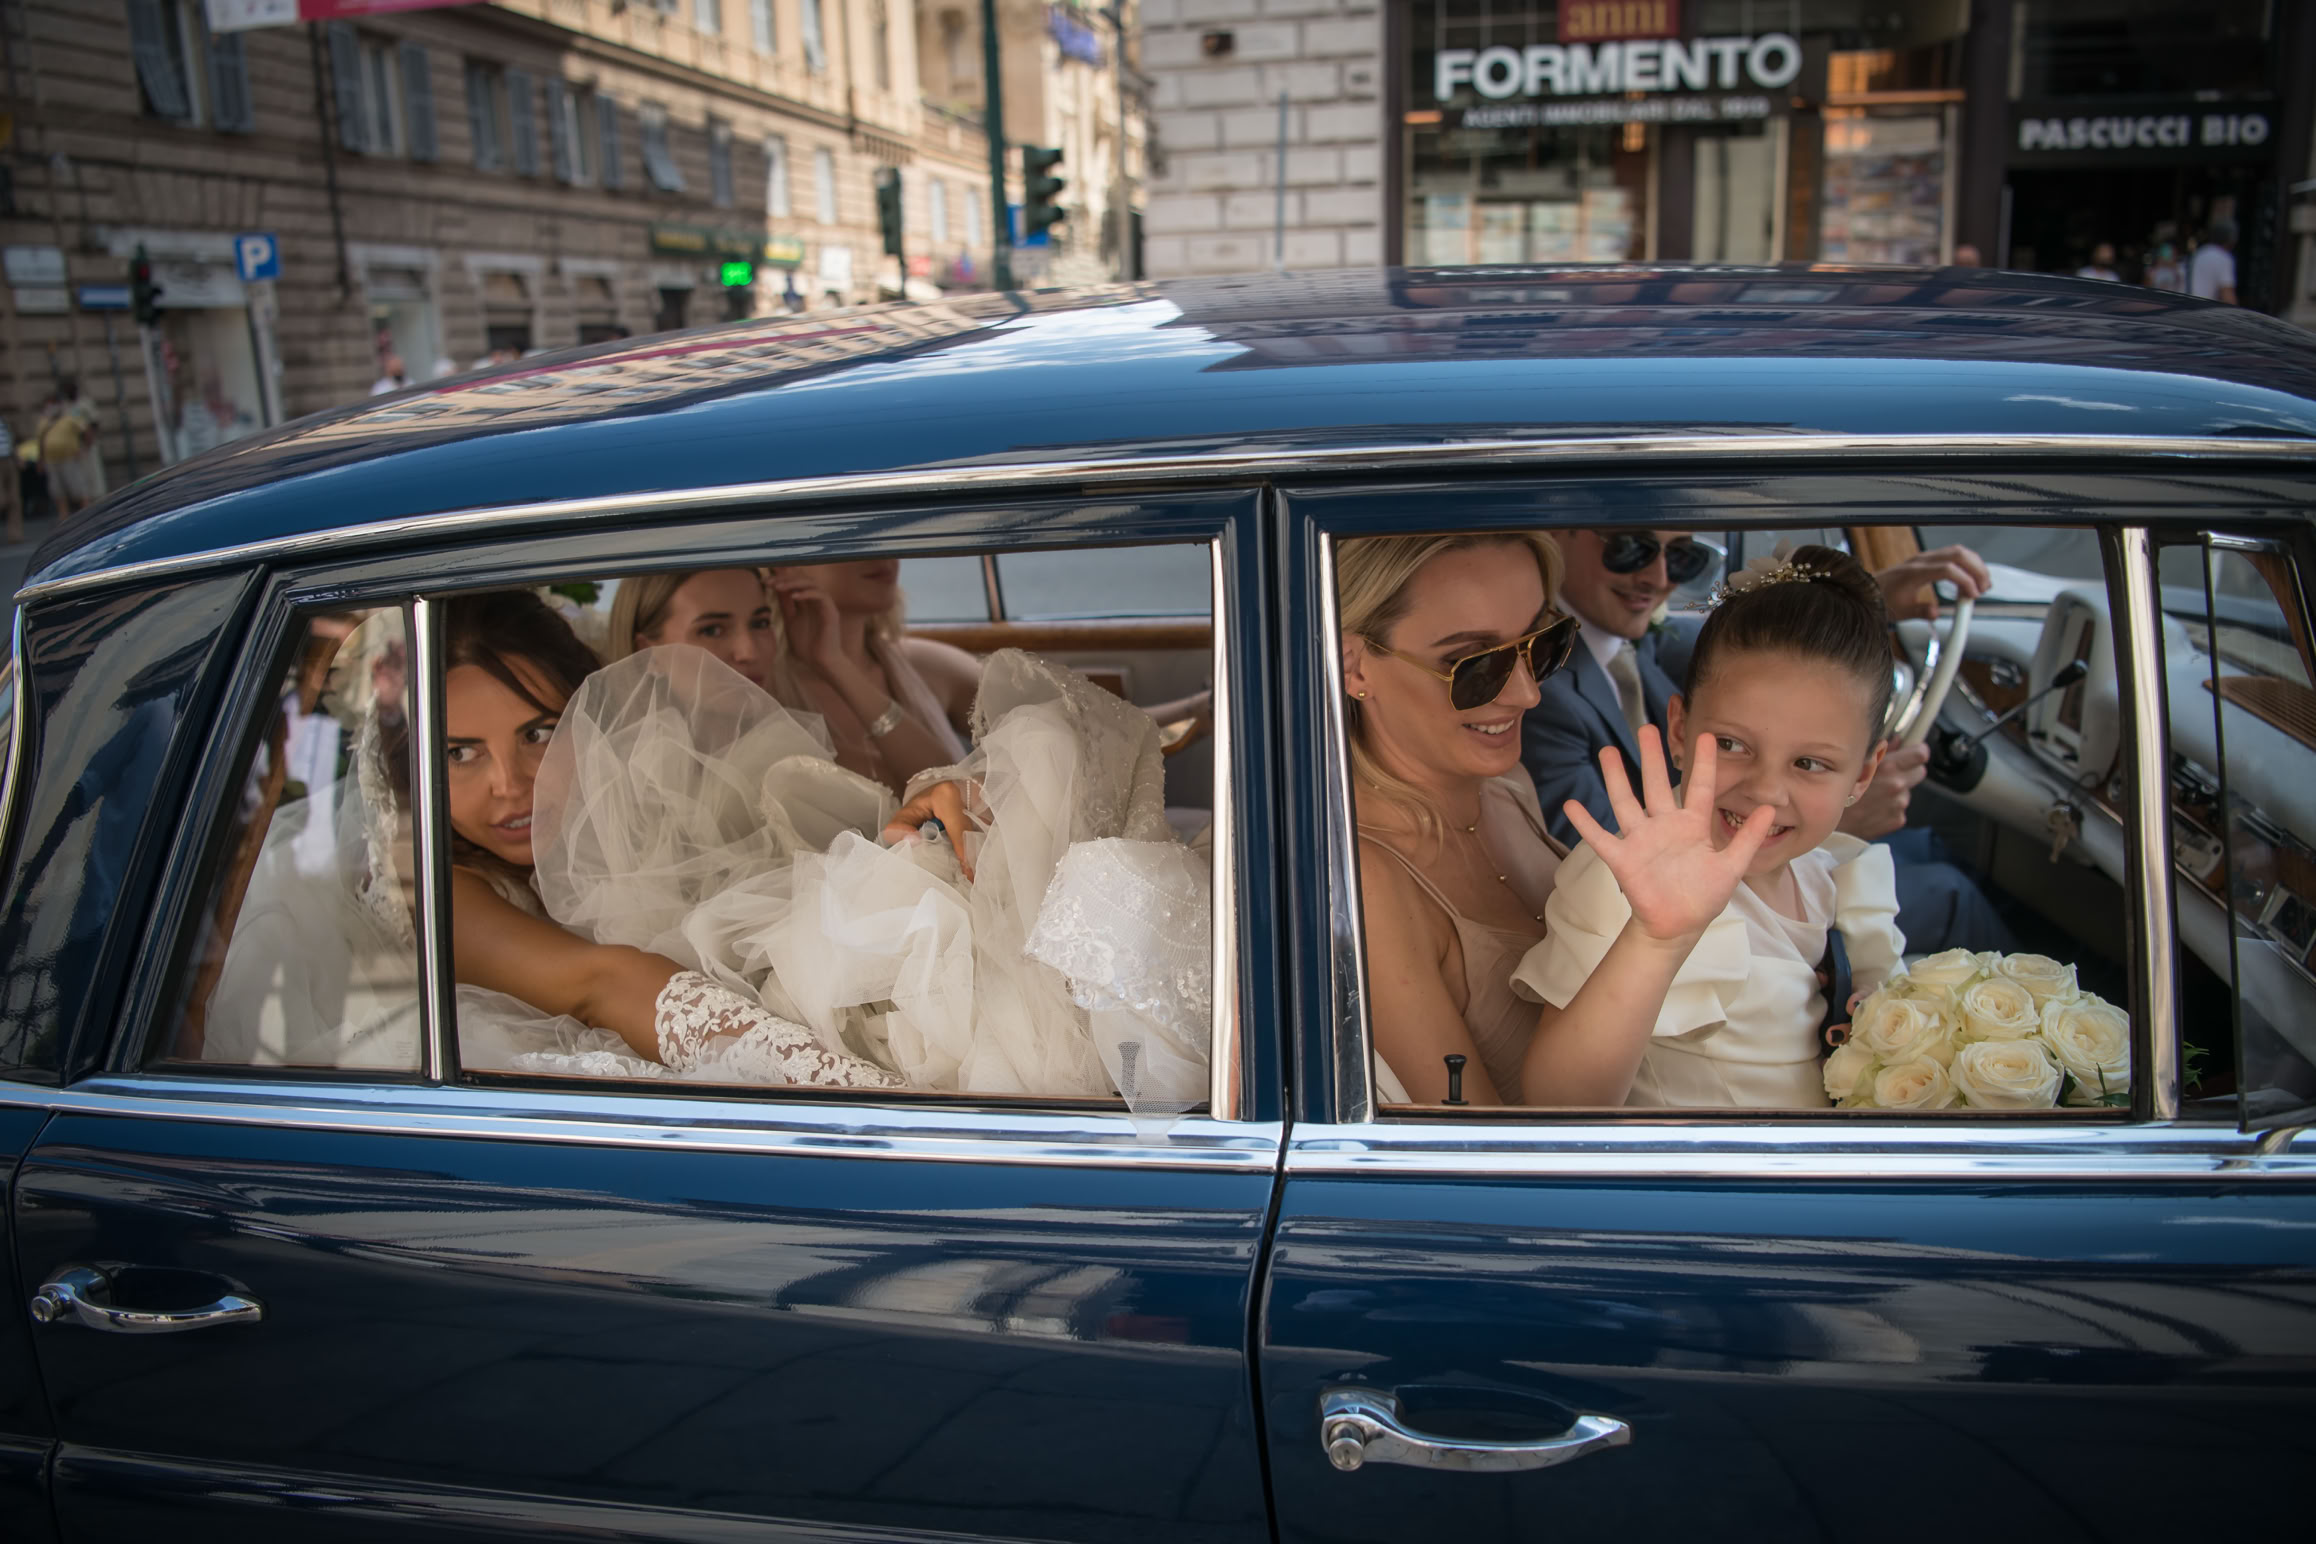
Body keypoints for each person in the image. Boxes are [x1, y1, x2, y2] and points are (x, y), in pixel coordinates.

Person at [1327, 532, 1775, 1108]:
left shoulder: (1504, 788)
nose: (1527, 692)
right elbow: (1475, 1155)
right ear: (1354, 665)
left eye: (1542, 643)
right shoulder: (1366, 885)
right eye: (1477, 663)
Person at [393, 591, 902, 1086]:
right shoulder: (444, 894)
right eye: (461, 753)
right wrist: (853, 1089)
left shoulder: (636, 823)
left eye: (538, 734)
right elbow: (603, 983)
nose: (508, 785)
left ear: (589, 723)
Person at [1514, 546, 1908, 1108]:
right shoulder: (1628, 886)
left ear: (1863, 773)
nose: (1766, 792)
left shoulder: (1826, 871)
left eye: (1810, 764)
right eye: (1731, 745)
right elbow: (1557, 1103)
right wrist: (1657, 937)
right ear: (1677, 730)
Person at [1522, 527, 2014, 958]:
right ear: (1557, 531)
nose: (1659, 576)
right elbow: (1603, 850)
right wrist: (1842, 815)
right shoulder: (1540, 691)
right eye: (1631, 548)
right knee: (1953, 894)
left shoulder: (1634, 638)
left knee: (1930, 844)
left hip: (1773, 852)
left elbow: (1754, 651)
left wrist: (1857, 606)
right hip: (1705, 880)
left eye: (1684, 556)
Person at [766, 559, 980, 792]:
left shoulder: (932, 666)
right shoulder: (763, 697)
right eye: (848, 541)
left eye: (885, 535)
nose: (882, 555)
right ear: (783, 565)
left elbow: (1024, 740)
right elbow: (946, 792)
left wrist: (837, 666)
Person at [606, 568, 778, 692]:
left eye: (760, 624)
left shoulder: (794, 733)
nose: (750, 653)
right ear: (648, 652)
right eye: (712, 630)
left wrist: (802, 667)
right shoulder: (620, 742)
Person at [35, 380, 104, 516]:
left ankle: (92, 511)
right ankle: (66, 516)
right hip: (53, 460)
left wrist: (86, 445)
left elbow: (90, 426)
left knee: (87, 483)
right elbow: (41, 440)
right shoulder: (48, 419)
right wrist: (41, 459)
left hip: (75, 454)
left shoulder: (80, 407)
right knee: (59, 491)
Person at [2189, 218, 2238, 305]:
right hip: (2202, 311)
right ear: (2231, 239)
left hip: (2185, 307)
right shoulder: (2224, 258)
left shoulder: (2199, 253)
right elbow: (2228, 296)